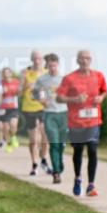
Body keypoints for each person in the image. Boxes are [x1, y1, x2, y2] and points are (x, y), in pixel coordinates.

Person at [55, 50, 106, 196]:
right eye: (82, 58)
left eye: (88, 58)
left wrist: (101, 98)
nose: (85, 61)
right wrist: (75, 100)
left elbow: (104, 91)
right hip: (76, 122)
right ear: (77, 60)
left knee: (92, 149)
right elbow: (59, 98)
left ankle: (91, 185)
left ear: (91, 60)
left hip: (94, 120)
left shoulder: (99, 76)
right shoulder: (69, 78)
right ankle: (78, 178)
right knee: (78, 151)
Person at [34, 54, 68, 184]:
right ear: (46, 65)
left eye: (54, 65)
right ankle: (56, 172)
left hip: (63, 113)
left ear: (58, 64)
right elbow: (35, 92)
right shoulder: (42, 79)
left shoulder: (64, 79)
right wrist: (41, 100)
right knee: (53, 143)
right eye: (50, 65)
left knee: (61, 144)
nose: (52, 68)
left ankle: (59, 163)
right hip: (49, 114)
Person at [21, 51, 50, 176]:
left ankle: (43, 158)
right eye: (35, 58)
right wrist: (26, 86)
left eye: (39, 58)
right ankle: (34, 164)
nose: (37, 60)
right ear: (32, 59)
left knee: (45, 136)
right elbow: (19, 92)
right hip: (29, 108)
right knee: (33, 139)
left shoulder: (46, 73)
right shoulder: (25, 73)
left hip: (43, 107)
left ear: (42, 60)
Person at [0, 67, 20, 153]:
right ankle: (8, 144)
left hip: (14, 107)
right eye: (5, 73)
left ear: (11, 73)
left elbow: (19, 92)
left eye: (8, 72)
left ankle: (13, 137)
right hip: (4, 108)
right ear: (3, 74)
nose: (6, 74)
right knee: (6, 128)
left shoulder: (16, 82)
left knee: (13, 125)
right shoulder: (1, 83)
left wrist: (16, 92)